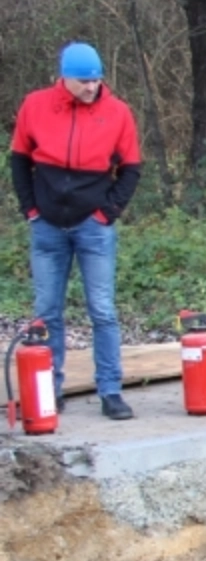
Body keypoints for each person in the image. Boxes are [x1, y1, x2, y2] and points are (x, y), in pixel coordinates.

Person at [9, 41, 142, 420]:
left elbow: (131, 168)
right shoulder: (35, 106)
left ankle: (111, 391)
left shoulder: (118, 113)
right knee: (47, 312)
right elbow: (19, 161)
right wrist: (30, 209)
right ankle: (49, 389)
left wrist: (109, 212)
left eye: (97, 80)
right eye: (84, 80)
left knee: (102, 311)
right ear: (64, 78)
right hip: (47, 225)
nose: (92, 87)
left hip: (93, 225)